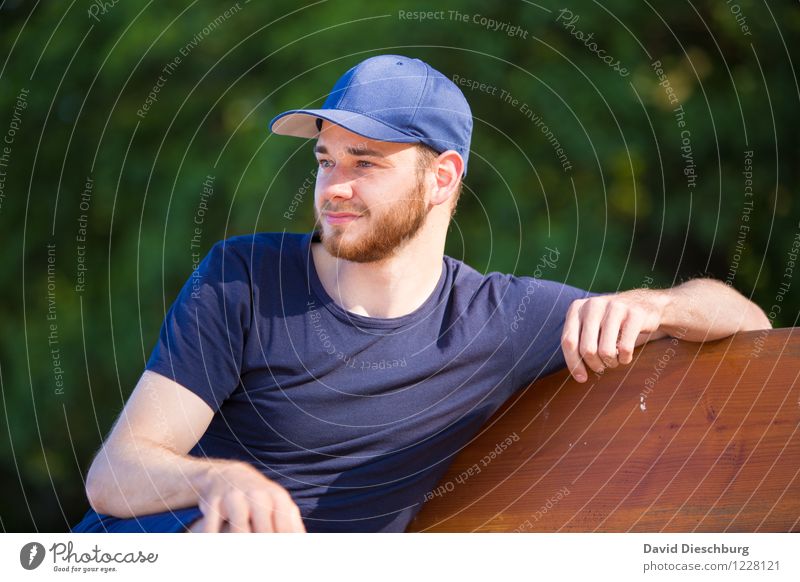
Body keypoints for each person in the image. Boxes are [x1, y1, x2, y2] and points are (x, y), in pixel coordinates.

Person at [71, 54, 771, 534]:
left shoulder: (497, 321)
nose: (333, 186)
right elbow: (114, 476)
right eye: (325, 160)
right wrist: (220, 482)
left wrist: (658, 305)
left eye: (365, 163)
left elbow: (747, 320)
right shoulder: (244, 280)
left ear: (442, 178)